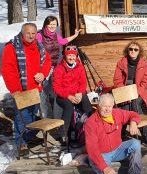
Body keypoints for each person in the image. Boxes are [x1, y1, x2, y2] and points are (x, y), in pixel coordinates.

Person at [2, 23, 51, 155]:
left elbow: (47, 61)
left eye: (33, 33)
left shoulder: (39, 47)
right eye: (28, 33)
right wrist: (15, 90)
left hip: (36, 89)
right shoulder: (12, 47)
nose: (30, 36)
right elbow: (8, 70)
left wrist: (43, 74)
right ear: (22, 33)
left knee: (30, 116)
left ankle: (28, 137)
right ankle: (21, 144)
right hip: (21, 90)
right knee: (21, 117)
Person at [85, 93, 142, 174]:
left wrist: (133, 122)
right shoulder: (91, 123)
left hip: (117, 149)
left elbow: (133, 114)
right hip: (101, 155)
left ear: (113, 106)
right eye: (104, 106)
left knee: (135, 143)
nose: (107, 109)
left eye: (110, 106)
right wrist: (104, 168)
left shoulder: (117, 113)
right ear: (98, 106)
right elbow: (92, 148)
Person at [36, 15, 81, 118]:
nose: (52, 26)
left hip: (55, 68)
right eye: (50, 24)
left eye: (54, 25)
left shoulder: (56, 35)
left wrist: (75, 35)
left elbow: (63, 41)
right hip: (43, 68)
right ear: (46, 25)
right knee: (43, 94)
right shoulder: (39, 35)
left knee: (57, 92)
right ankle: (45, 117)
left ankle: (57, 118)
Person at [113, 41, 147, 145]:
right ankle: (146, 134)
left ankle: (122, 134)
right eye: (131, 49)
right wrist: (126, 93)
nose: (133, 51)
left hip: (139, 92)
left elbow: (145, 81)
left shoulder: (143, 63)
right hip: (124, 92)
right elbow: (117, 81)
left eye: (136, 49)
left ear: (139, 52)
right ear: (127, 50)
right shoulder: (121, 63)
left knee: (133, 102)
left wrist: (134, 93)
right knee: (127, 107)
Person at [53, 45, 93, 140]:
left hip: (77, 94)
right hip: (63, 96)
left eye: (73, 55)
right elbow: (56, 88)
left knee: (86, 102)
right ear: (65, 56)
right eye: (69, 55)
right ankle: (63, 134)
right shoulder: (59, 69)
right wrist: (68, 96)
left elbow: (83, 82)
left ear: (76, 56)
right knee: (69, 107)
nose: (71, 58)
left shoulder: (80, 67)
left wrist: (80, 93)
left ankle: (92, 126)